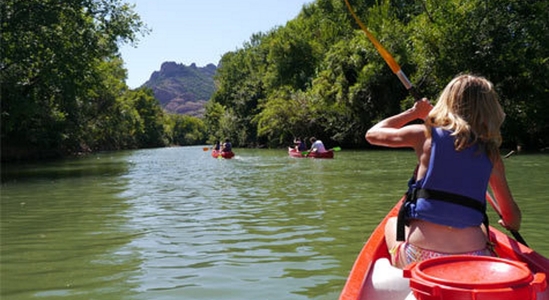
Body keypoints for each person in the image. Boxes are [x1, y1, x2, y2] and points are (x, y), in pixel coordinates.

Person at [365, 74, 521, 269]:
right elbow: (512, 219)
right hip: (473, 257)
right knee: (482, 228)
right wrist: (508, 222)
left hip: (421, 257)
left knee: (392, 223)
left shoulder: (423, 135)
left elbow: (372, 134)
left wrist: (414, 113)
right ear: (491, 110)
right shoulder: (492, 154)